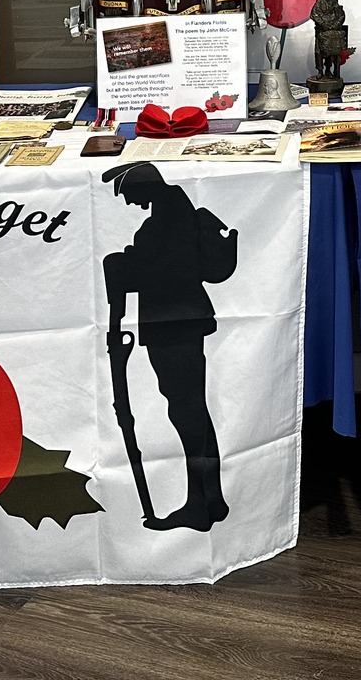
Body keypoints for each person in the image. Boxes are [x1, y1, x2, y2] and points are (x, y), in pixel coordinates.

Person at [103, 162, 233, 532]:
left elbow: (165, 270)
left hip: (175, 326)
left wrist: (123, 265)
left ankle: (199, 505)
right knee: (192, 411)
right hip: (180, 324)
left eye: (127, 193)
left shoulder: (168, 219)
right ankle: (211, 498)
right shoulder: (171, 213)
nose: (127, 201)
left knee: (187, 413)